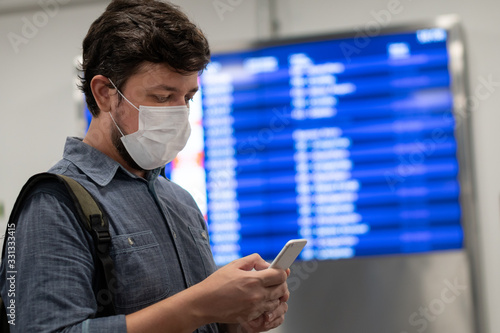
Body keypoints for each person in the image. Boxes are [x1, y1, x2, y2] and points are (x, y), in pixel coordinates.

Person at [0, 0, 290, 332]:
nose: (180, 112)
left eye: (188, 97)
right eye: (163, 97)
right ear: (105, 93)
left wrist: (234, 320)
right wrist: (199, 306)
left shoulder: (179, 201)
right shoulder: (53, 204)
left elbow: (191, 322)